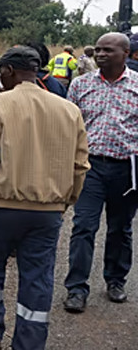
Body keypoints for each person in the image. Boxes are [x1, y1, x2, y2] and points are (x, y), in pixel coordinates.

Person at [0, 46, 88, 350]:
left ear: (7, 71)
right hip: (48, 211)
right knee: (37, 277)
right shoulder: (68, 110)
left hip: (0, 206)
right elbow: (80, 166)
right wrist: (66, 201)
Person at [62, 32, 138, 313]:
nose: (101, 54)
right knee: (83, 226)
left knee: (121, 228)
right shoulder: (80, 85)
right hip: (90, 167)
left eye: (108, 50)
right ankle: (76, 288)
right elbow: (70, 127)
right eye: (99, 50)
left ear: (126, 54)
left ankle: (116, 281)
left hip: (126, 169)